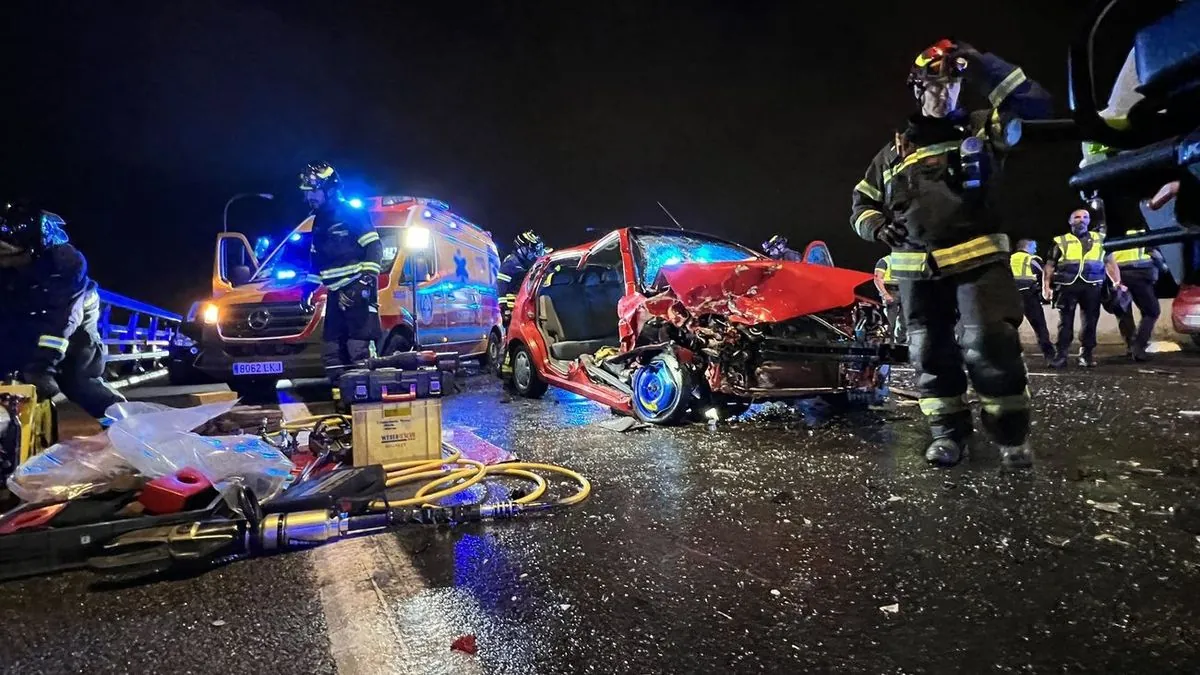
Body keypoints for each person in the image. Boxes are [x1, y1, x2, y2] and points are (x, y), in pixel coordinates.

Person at [849, 38, 1051, 469]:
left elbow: (1036, 106)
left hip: (977, 261)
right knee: (930, 355)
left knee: (989, 345)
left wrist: (984, 65)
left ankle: (1011, 438)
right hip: (914, 272)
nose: (945, 95)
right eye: (936, 87)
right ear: (918, 90)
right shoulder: (892, 154)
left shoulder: (984, 128)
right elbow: (861, 205)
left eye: (955, 85)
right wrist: (878, 227)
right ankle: (947, 434)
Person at [0, 203, 125, 419]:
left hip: (74, 317)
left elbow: (58, 324)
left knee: (77, 377)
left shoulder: (66, 267)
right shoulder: (9, 269)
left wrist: (41, 368)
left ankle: (122, 424)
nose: (1, 260)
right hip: (26, 313)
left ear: (33, 249)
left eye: (6, 253)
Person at [297, 162, 383, 381]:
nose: (310, 198)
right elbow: (318, 261)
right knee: (332, 353)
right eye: (307, 193)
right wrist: (308, 287)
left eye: (314, 191)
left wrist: (364, 282)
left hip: (357, 291)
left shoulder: (351, 213)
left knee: (357, 351)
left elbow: (374, 248)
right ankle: (343, 403)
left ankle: (363, 403)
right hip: (335, 294)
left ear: (330, 189)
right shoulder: (318, 221)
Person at [1042, 209, 1122, 368]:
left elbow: (1109, 262)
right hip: (1067, 285)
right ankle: (1061, 356)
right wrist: (1046, 286)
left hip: (1093, 285)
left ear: (1089, 220)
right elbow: (1050, 265)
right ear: (1070, 221)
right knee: (1065, 322)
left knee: (1090, 322)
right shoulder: (1061, 241)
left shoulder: (1100, 239)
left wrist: (1117, 282)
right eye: (1077, 217)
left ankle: (1086, 355)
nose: (1081, 220)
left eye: (1085, 217)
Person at [1111, 227, 1170, 360]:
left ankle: (1131, 346)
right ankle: (1139, 347)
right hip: (1139, 274)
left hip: (1116, 274)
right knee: (1152, 311)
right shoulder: (1142, 231)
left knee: (1123, 311)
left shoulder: (1110, 231)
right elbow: (1154, 253)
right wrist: (1163, 267)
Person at [1010, 239, 1054, 360]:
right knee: (1040, 326)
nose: (1035, 249)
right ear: (1028, 246)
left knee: (1011, 327)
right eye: (1034, 246)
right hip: (1028, 294)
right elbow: (1044, 273)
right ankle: (1049, 355)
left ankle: (1014, 354)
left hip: (1012, 295)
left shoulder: (1009, 258)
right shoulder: (1032, 259)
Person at [497, 230, 546, 327]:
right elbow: (501, 286)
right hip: (513, 308)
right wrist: (505, 309)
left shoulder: (527, 262)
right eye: (531, 248)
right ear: (521, 248)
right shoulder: (511, 263)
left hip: (525, 305)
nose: (534, 252)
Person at [873, 254, 905, 342]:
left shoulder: (906, 262)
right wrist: (885, 294)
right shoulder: (885, 261)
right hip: (890, 290)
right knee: (891, 320)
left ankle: (900, 341)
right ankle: (891, 343)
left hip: (904, 290)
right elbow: (877, 279)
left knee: (904, 320)